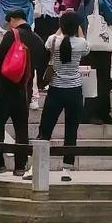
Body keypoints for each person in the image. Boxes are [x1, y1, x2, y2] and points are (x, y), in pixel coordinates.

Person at [0, 6, 48, 177]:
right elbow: (42, 62)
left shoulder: (11, 35)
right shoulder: (37, 39)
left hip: (7, 87)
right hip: (25, 89)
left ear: (12, 20)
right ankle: (20, 165)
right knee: (21, 128)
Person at [38, 12, 89, 179]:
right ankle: (67, 168)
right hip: (74, 90)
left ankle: (36, 166)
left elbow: (48, 46)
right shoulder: (81, 43)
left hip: (56, 90)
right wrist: (78, 29)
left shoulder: (53, 40)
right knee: (71, 130)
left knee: (45, 128)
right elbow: (86, 47)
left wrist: (61, 27)